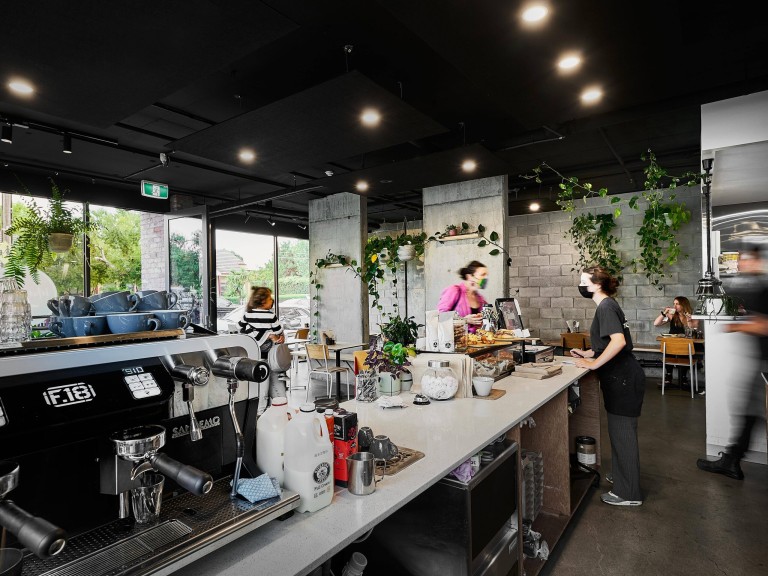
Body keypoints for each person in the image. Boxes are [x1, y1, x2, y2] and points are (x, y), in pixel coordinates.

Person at [570, 266, 645, 506]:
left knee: (623, 434)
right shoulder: (608, 305)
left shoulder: (605, 307)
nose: (581, 285)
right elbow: (605, 344)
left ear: (597, 285)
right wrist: (588, 353)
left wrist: (593, 364)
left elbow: (619, 342)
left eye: (584, 281)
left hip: (623, 378)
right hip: (620, 377)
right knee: (619, 432)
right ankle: (624, 476)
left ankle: (628, 493)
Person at [697, 243, 768, 480]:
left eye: (745, 260)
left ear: (756, 261)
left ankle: (731, 460)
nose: (741, 264)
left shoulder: (764, 290)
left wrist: (736, 325)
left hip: (764, 363)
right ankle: (732, 459)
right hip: (758, 361)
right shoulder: (755, 289)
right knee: (748, 411)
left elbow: (764, 326)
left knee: (750, 411)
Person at [238, 286, 286, 414]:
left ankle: (260, 413)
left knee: (262, 388)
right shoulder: (271, 315)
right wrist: (268, 334)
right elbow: (279, 330)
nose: (272, 300)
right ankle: (268, 412)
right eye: (270, 298)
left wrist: (257, 333)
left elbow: (240, 327)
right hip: (269, 355)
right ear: (263, 301)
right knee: (266, 386)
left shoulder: (247, 314)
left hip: (255, 355)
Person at [653, 296, 700, 387]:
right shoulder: (672, 315)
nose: (674, 306)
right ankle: (669, 377)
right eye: (674, 304)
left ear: (683, 305)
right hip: (672, 343)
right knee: (668, 350)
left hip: (685, 344)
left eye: (677, 304)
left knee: (685, 352)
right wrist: (664, 313)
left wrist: (689, 320)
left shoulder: (692, 316)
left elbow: (694, 329)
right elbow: (656, 323)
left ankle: (683, 378)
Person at [437, 260, 487, 332]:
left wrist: (481, 323)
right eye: (483, 275)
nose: (485, 278)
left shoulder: (481, 299)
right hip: (453, 338)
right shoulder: (454, 291)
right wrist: (464, 320)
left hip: (472, 339)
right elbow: (440, 317)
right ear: (469, 276)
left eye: (486, 275)